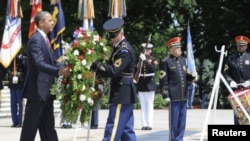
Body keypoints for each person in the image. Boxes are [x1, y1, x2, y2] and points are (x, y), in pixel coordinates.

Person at [20, 11, 71, 141]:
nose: (53, 22)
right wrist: (60, 72)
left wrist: (71, 65)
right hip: (37, 92)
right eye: (49, 20)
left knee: (48, 128)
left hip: (46, 91)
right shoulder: (35, 40)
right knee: (30, 128)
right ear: (41, 23)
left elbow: (53, 61)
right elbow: (39, 64)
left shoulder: (45, 39)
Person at [90, 18, 137, 141]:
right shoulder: (118, 48)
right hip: (123, 91)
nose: (112, 38)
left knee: (113, 128)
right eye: (110, 35)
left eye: (114, 35)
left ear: (122, 32)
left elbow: (114, 71)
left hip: (122, 92)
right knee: (126, 130)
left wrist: (98, 65)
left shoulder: (124, 50)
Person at [159, 37, 192, 141]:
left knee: (182, 121)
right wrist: (166, 94)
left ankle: (180, 139)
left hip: (183, 95)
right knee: (174, 122)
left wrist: (193, 76)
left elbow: (187, 77)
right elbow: (163, 79)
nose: (179, 49)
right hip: (173, 96)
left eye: (180, 47)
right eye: (177, 48)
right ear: (171, 49)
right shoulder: (166, 62)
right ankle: (173, 139)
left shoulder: (183, 60)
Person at [223, 35, 250, 125]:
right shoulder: (231, 59)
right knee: (238, 115)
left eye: (242, 45)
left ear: (246, 46)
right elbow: (225, 73)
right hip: (236, 91)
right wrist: (230, 81)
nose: (240, 47)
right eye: (239, 45)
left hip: (248, 90)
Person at [136, 42, 158, 130]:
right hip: (141, 83)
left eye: (148, 50)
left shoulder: (153, 59)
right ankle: (144, 124)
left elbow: (153, 69)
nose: (146, 51)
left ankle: (150, 124)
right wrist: (141, 60)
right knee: (143, 105)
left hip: (150, 84)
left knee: (149, 105)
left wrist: (145, 60)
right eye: (145, 49)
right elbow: (136, 70)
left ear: (150, 51)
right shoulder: (140, 59)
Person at [7, 52, 27, 128]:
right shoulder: (12, 59)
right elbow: (8, 69)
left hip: (20, 84)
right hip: (13, 84)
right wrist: (11, 76)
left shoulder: (24, 59)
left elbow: (25, 72)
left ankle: (19, 121)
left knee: (20, 103)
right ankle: (14, 121)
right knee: (13, 103)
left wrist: (19, 77)